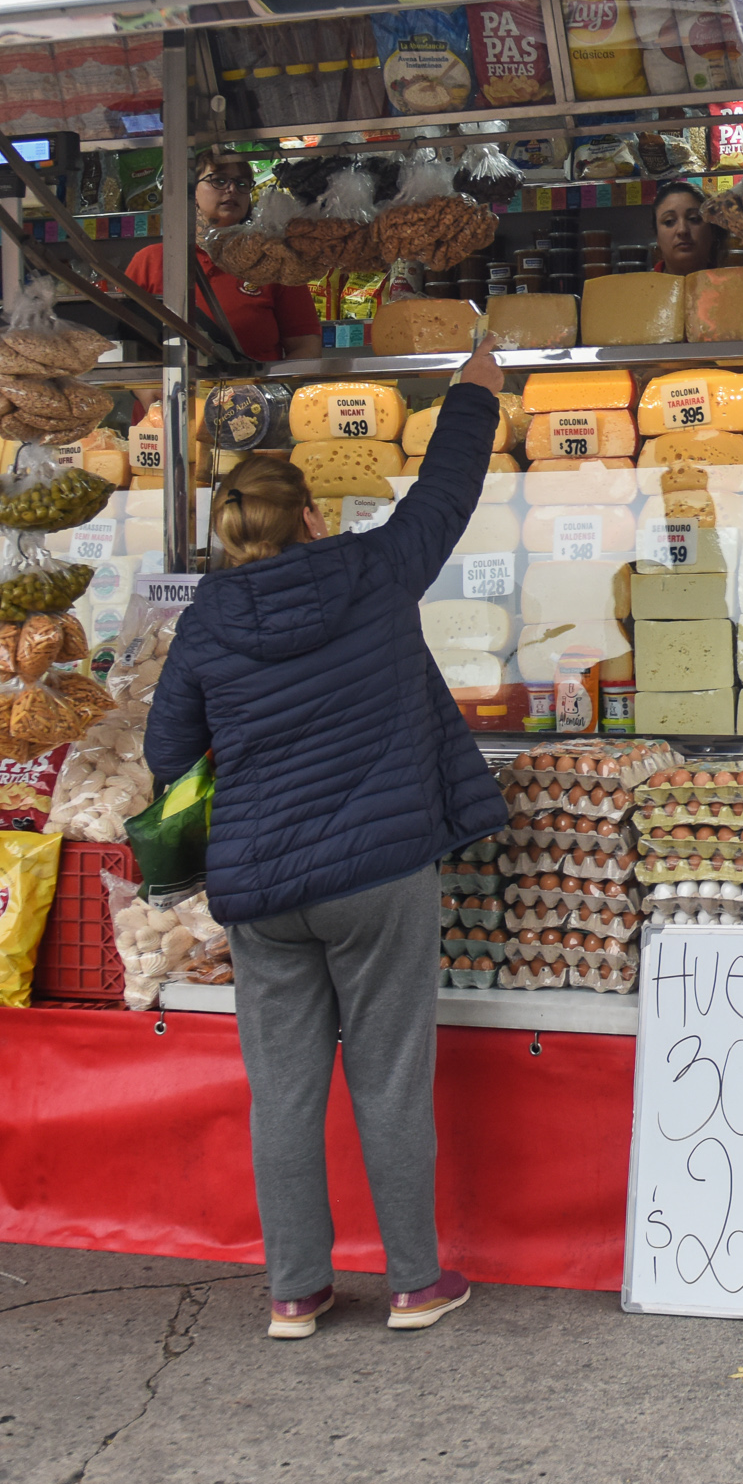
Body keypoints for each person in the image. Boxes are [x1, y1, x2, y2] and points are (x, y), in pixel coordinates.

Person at [144, 333, 510, 1339]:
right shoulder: (374, 569)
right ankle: (415, 1281)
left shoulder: (208, 621)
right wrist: (474, 388)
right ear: (311, 516)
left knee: (285, 1090)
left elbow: (168, 747)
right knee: (390, 1074)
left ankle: (295, 1291)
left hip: (262, 884)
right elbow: (445, 492)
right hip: (380, 873)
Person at [125, 153, 323, 359]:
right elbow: (124, 338)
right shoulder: (150, 260)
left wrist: (271, 389)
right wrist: (146, 391)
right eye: (218, 180)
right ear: (190, 191)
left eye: (242, 183)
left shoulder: (274, 258)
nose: (232, 189)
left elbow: (305, 346)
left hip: (255, 390)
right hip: (173, 390)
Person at [648, 182, 719, 275]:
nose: (682, 230)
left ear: (712, 230)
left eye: (693, 219)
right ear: (657, 236)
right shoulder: (641, 288)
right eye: (669, 222)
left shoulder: (732, 287)